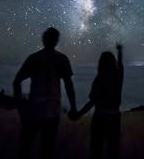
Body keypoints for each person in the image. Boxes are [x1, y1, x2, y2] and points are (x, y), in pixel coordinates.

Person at [13, 27, 76, 159]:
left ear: (43, 39)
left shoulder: (34, 58)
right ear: (56, 41)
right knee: (47, 148)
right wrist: (74, 108)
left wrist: (20, 105)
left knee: (26, 147)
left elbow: (16, 82)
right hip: (52, 110)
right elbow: (68, 84)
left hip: (33, 109)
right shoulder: (62, 59)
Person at [71, 44, 124, 159]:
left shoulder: (99, 79)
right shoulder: (118, 78)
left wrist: (79, 114)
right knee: (113, 152)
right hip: (114, 119)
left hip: (99, 118)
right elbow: (121, 66)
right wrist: (120, 51)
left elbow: (92, 103)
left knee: (96, 151)